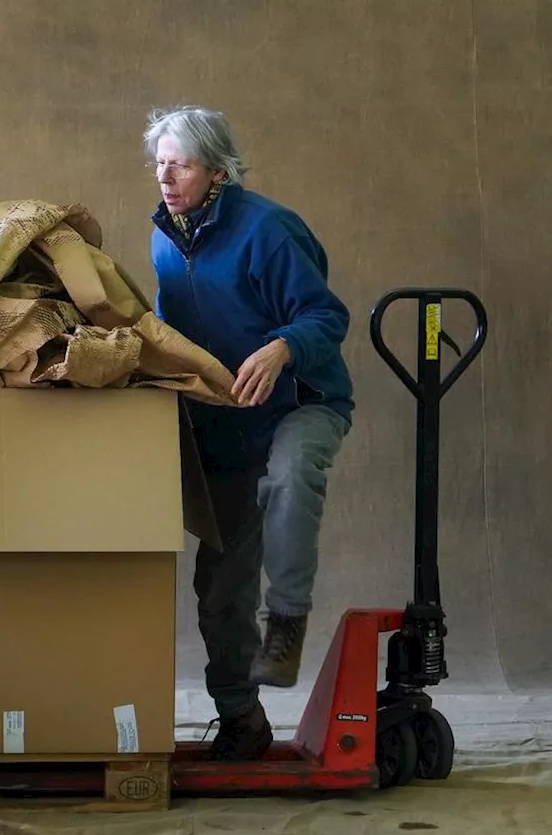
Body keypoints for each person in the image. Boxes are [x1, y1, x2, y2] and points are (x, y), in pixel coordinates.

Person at [145, 105, 354, 760]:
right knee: (221, 590)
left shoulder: (268, 230)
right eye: (159, 164)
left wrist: (283, 347)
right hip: (228, 425)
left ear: (215, 168)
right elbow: (169, 329)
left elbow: (325, 314)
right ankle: (241, 717)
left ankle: (286, 623)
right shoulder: (165, 240)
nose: (166, 176)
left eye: (179, 164)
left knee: (290, 479)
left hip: (302, 402)